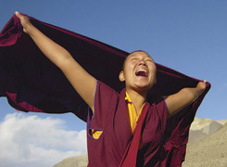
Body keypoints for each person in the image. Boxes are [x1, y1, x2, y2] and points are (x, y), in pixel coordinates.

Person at [15, 12, 206, 167]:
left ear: (155, 80)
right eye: (135, 60)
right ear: (122, 76)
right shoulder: (104, 99)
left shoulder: (158, 111)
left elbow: (187, 95)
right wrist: (30, 29)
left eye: (148, 61)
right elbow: (66, 62)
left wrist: (199, 88)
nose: (142, 61)